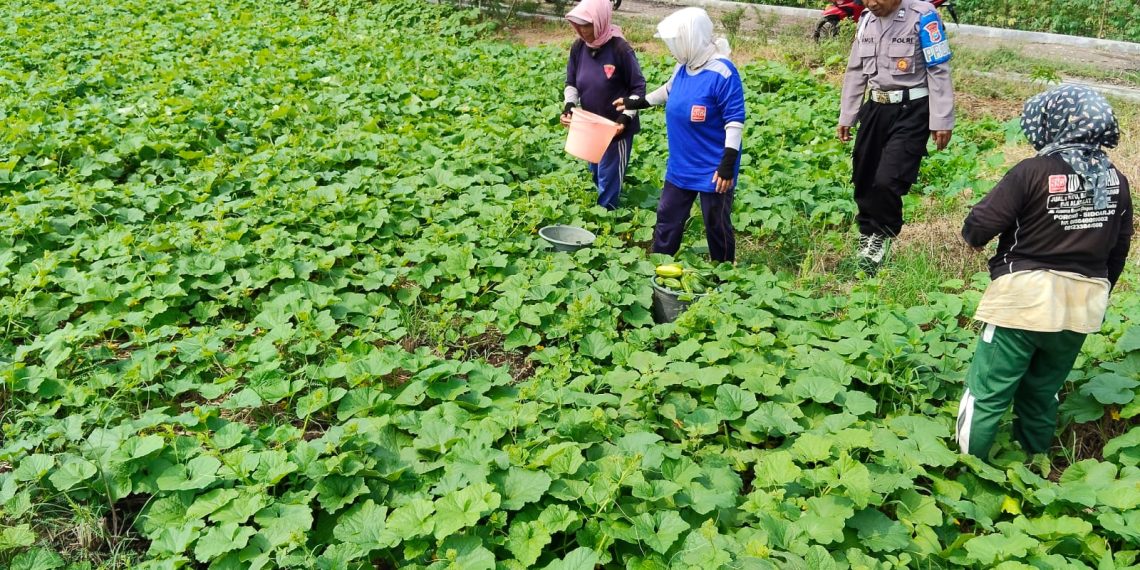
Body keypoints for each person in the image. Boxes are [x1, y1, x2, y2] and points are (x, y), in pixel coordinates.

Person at [955, 86, 1133, 461]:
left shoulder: (1032, 171)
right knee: (1042, 391)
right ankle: (1034, 466)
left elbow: (980, 226)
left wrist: (973, 235)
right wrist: (1099, 289)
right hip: (1083, 302)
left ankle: (968, 469)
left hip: (1025, 298)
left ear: (1052, 125)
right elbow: (1119, 250)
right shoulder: (1117, 180)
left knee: (987, 391)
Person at [614, 8, 745, 263]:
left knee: (716, 223)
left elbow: (734, 121)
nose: (672, 48)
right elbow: (668, 90)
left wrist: (728, 162)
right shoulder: (683, 67)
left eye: (675, 42)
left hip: (713, 167)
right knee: (668, 217)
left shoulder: (724, 72)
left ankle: (725, 273)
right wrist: (639, 103)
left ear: (691, 37)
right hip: (681, 163)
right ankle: (659, 265)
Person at [837, 0, 954, 274]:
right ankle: (868, 232)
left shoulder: (923, 16)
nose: (871, 3)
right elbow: (855, 71)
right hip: (876, 107)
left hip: (912, 110)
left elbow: (938, 70)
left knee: (888, 179)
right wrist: (847, 114)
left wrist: (941, 119)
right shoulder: (866, 19)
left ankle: (883, 232)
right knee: (863, 174)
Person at [560, 0, 646, 210]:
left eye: (587, 25)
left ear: (600, 21)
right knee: (596, 173)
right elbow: (571, 83)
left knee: (609, 179)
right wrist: (569, 107)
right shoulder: (579, 47)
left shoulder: (620, 49)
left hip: (615, 129)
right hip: (590, 126)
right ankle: (601, 217)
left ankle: (606, 221)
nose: (581, 30)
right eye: (577, 25)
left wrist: (625, 118)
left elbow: (638, 87)